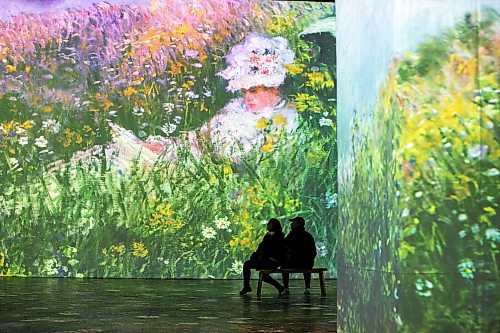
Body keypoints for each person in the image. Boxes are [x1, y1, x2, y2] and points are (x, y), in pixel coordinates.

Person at [65, 33, 298, 172]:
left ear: (274, 87)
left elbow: (247, 164)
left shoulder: (284, 121)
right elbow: (197, 139)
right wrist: (165, 147)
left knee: (123, 167)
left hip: (196, 171)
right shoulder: (234, 111)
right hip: (183, 156)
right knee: (110, 155)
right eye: (245, 90)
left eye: (254, 90)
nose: (248, 97)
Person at [239, 218, 286, 296]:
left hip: (273, 261)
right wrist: (255, 256)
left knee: (263, 275)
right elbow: (261, 248)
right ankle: (246, 286)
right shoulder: (267, 236)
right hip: (265, 260)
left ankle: (280, 287)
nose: (267, 225)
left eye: (269, 224)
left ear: (274, 226)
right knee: (247, 264)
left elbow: (276, 251)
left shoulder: (279, 237)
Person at [282, 216, 317, 295]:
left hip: (294, 263)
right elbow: (313, 252)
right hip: (307, 263)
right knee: (307, 265)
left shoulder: (292, 235)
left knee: (283, 266)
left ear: (298, 224)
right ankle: (307, 287)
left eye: (293, 223)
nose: (291, 224)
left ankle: (286, 287)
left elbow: (284, 245)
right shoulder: (308, 235)